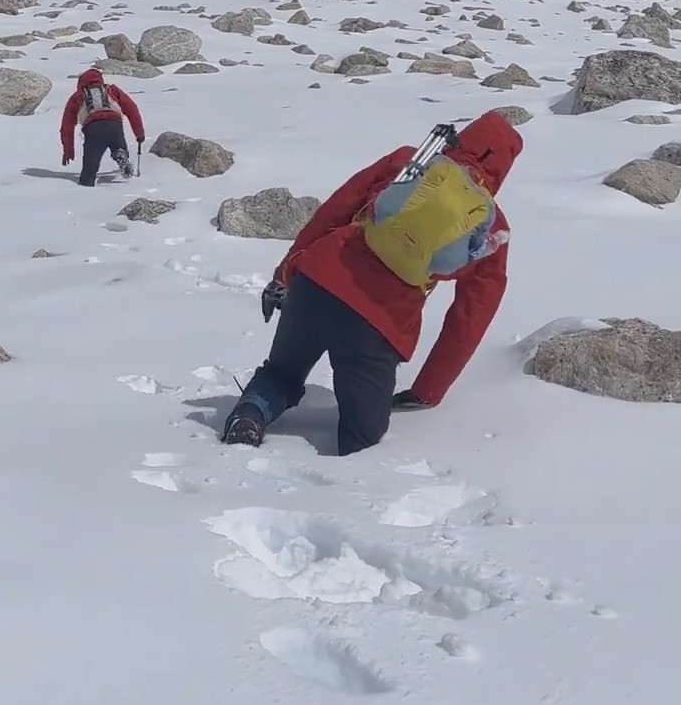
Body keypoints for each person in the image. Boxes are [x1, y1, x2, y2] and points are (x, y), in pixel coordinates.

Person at [222, 112, 522, 455]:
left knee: (281, 374)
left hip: (317, 281)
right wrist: (429, 390)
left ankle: (250, 413)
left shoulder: (413, 161)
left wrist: (284, 274)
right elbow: (468, 321)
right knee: (365, 435)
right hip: (379, 324)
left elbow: (334, 211)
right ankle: (344, 486)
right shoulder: (491, 228)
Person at [60, 67, 145, 188]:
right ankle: (120, 153)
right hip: (114, 124)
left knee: (90, 167)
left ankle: (86, 187)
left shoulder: (77, 96)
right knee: (118, 144)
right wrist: (139, 134)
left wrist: (68, 151)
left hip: (93, 128)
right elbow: (132, 110)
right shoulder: (111, 90)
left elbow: (66, 126)